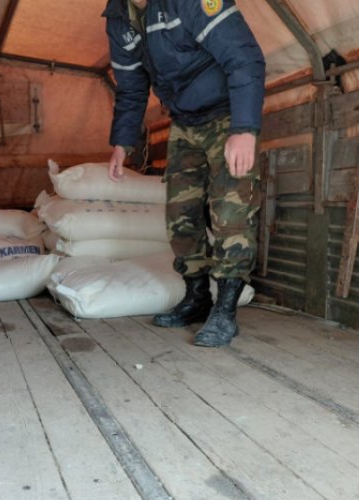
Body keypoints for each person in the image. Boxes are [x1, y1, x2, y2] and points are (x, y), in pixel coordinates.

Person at [104, 0, 265, 347]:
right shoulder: (119, 17)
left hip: (227, 114)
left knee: (231, 214)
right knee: (181, 216)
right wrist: (122, 143)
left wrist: (245, 129)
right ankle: (197, 298)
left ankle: (225, 310)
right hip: (184, 122)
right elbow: (131, 86)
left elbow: (244, 55)